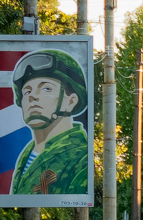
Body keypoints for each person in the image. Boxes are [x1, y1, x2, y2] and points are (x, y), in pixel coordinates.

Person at [9, 50, 90, 196]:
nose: (32, 96)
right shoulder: (27, 154)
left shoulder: (81, 158)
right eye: (27, 91)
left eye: (46, 88)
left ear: (70, 102)